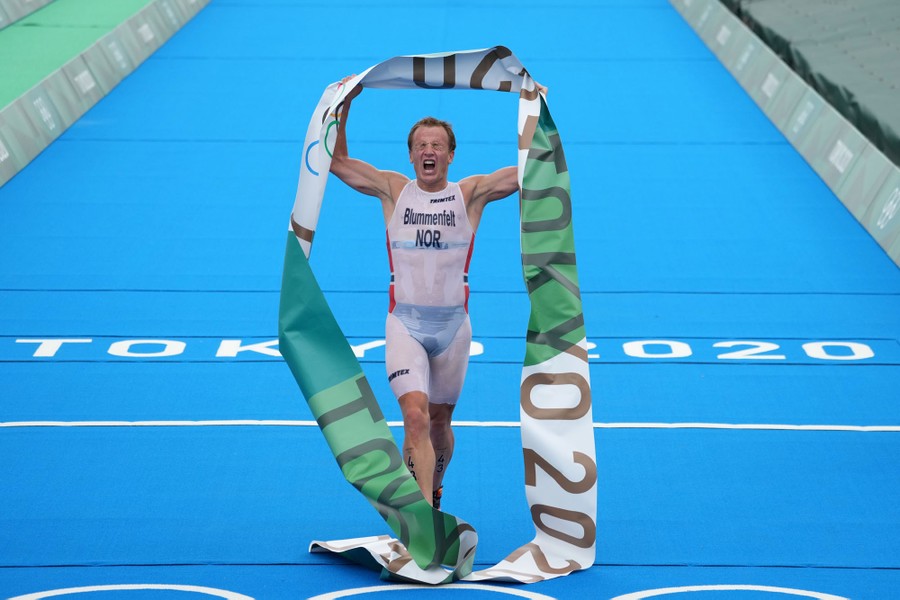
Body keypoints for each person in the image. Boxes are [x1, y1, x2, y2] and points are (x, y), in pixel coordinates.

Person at [328, 78, 519, 508]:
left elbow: (531, 172)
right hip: (404, 324)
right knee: (413, 416)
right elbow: (338, 162)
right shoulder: (394, 190)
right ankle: (418, 519)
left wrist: (537, 114)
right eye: (421, 145)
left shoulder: (469, 194)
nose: (428, 151)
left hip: (453, 329)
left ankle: (433, 489)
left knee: (438, 422)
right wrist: (346, 106)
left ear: (451, 155)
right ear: (411, 155)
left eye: (437, 145)